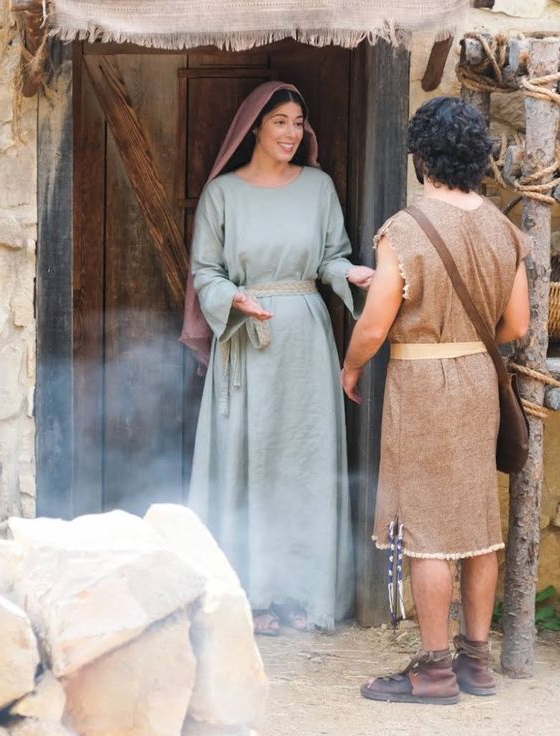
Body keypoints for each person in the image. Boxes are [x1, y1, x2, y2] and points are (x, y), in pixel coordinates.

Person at [341, 96, 530, 704]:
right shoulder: (504, 228)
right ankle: (477, 663)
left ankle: (433, 670)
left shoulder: (405, 228)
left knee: (425, 529)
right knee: (476, 525)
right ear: (479, 158)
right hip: (479, 381)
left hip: (423, 389)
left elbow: (373, 329)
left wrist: (349, 366)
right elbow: (515, 323)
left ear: (422, 157)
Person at [183, 81, 373, 635]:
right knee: (249, 462)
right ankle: (250, 592)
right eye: (280, 122)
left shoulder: (318, 188)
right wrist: (233, 298)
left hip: (306, 342)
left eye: (298, 123)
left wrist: (352, 274)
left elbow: (332, 259)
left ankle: (302, 593)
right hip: (245, 341)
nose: (292, 133)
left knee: (305, 464)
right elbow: (205, 272)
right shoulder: (223, 193)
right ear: (255, 130)